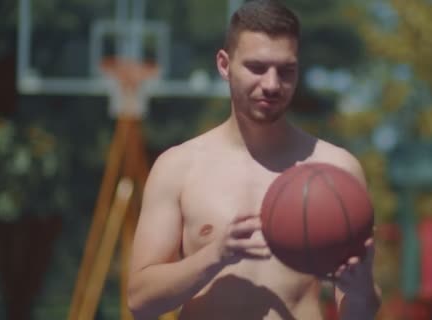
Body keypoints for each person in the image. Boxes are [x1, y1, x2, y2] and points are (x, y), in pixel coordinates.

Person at [127, 1, 381, 319]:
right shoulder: (178, 166)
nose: (272, 84)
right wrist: (214, 256)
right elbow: (140, 301)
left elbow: (359, 313)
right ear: (224, 64)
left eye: (285, 70)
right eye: (257, 68)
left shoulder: (337, 170)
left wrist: (361, 291)